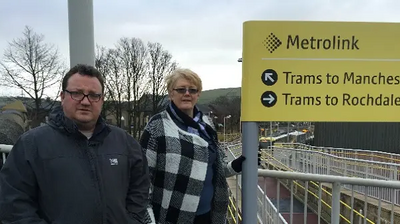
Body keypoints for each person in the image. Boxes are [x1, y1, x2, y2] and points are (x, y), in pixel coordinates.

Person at [0, 64, 150, 224]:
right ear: (62, 96)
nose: (86, 102)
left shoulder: (125, 142)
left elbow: (140, 188)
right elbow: (14, 206)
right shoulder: (31, 144)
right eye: (77, 93)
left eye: (93, 95)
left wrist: (131, 220)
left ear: (102, 100)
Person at [140, 68, 260, 224]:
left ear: (198, 94)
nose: (187, 93)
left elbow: (214, 168)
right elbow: (142, 182)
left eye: (193, 90)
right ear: (171, 93)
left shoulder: (206, 124)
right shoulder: (158, 126)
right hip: (172, 218)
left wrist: (236, 166)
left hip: (208, 215)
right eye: (181, 89)